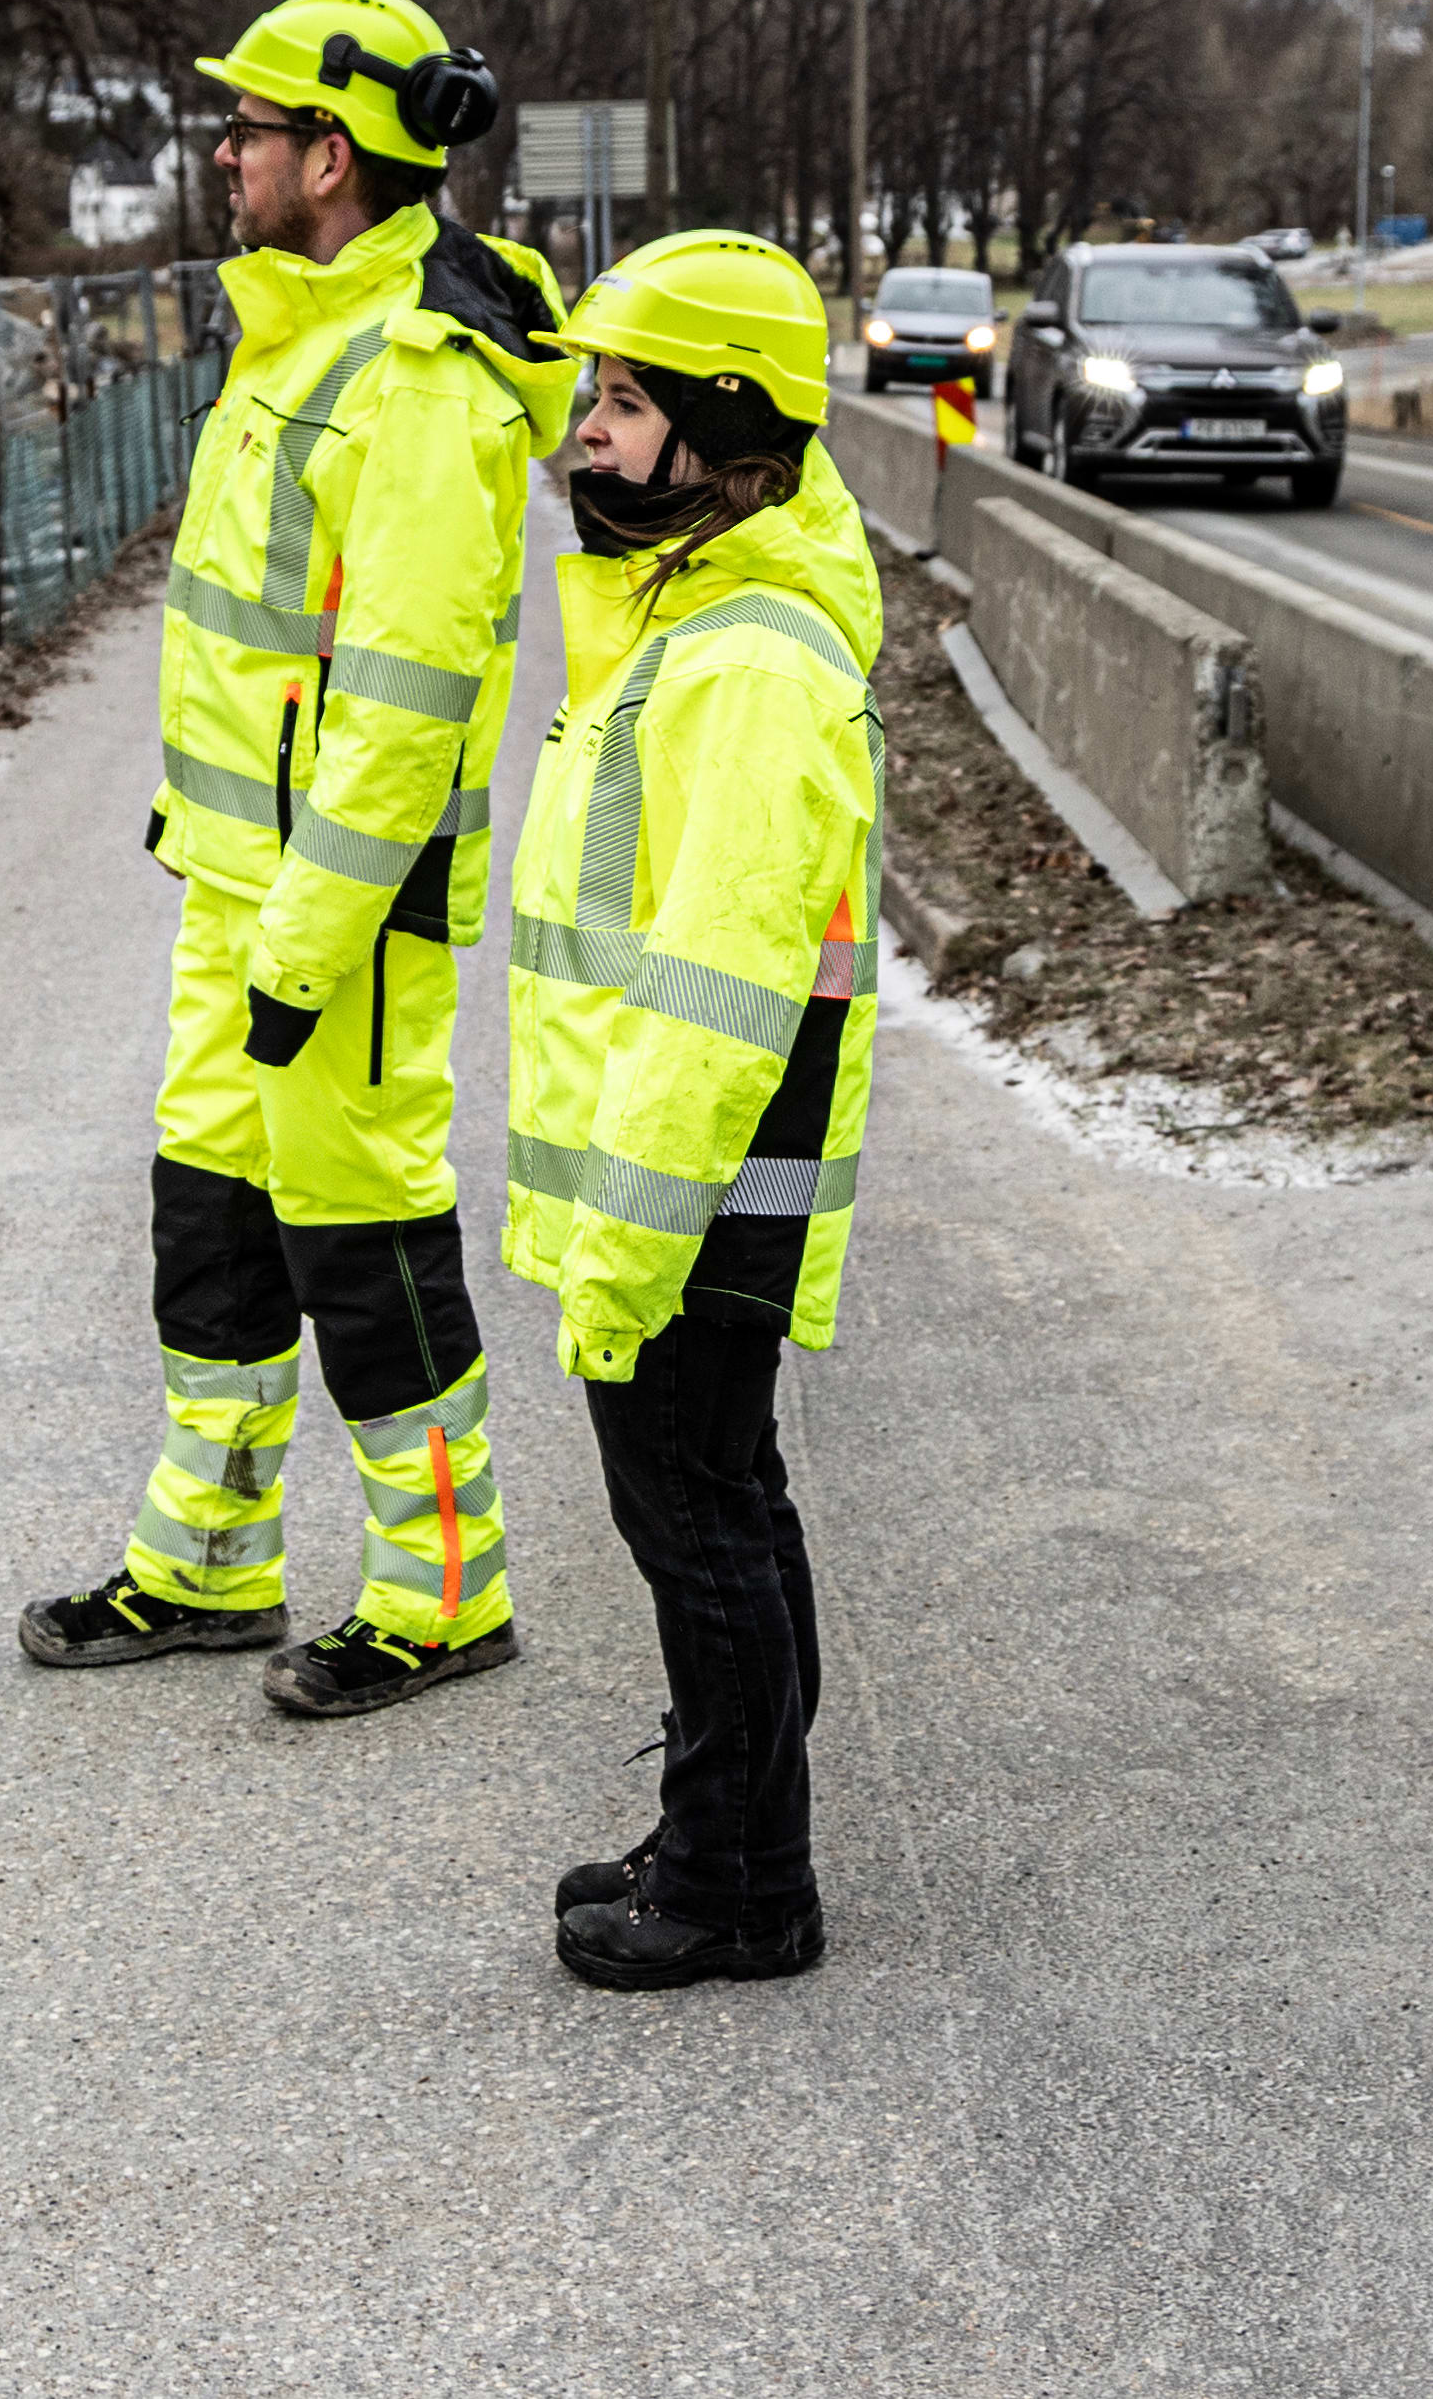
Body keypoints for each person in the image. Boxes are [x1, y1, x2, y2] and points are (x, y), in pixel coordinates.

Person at [18, 0, 571, 1718]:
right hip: (242, 882)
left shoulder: (421, 372)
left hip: (345, 905)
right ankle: (208, 1560)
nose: (224, 154)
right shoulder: (301, 327)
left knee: (364, 1233)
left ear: (331, 157)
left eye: (248, 130)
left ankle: (445, 1589)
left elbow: (403, 704)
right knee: (215, 1216)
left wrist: (313, 939)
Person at [504, 230, 884, 1989]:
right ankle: (729, 1829)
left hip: (696, 1184)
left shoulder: (741, 664)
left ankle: (744, 1885)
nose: (586, 429)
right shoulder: (694, 620)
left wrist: (626, 1245)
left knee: (698, 1521)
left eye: (627, 399)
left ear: (725, 433)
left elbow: (715, 1001)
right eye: (592, 391)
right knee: (727, 1501)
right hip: (700, 1176)